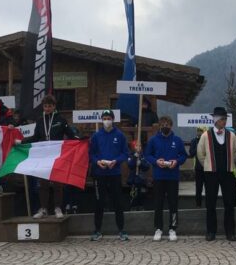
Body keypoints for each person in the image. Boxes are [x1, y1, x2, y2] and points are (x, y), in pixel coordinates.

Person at [25, 95, 78, 219]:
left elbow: (70, 135)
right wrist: (21, 142)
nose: (47, 108)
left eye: (49, 106)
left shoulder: (61, 120)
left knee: (58, 183)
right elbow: (35, 138)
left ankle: (58, 208)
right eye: (45, 106)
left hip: (57, 156)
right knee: (43, 183)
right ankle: (43, 209)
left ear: (54, 107)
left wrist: (81, 140)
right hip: (44, 156)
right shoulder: (39, 120)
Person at [197, 107, 236, 241]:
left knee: (229, 203)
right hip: (211, 173)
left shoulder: (231, 135)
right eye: (222, 119)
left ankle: (230, 232)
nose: (224, 121)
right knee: (211, 203)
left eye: (225, 119)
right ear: (215, 120)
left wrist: (230, 164)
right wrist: (208, 165)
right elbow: (200, 154)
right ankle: (211, 231)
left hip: (228, 173)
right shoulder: (205, 135)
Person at [88, 110, 130, 241]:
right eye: (104, 118)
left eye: (109, 118)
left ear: (113, 119)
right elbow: (91, 154)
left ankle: (121, 230)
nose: (107, 120)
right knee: (99, 202)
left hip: (114, 173)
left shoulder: (120, 135)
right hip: (99, 173)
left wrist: (116, 161)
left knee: (118, 202)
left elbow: (125, 153)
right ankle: (97, 230)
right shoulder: (96, 136)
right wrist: (97, 162)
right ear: (101, 120)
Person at [145, 116, 187, 242]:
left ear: (171, 126)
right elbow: (147, 155)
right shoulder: (153, 140)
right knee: (158, 204)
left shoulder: (177, 140)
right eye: (162, 124)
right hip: (159, 177)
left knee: (173, 204)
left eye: (167, 124)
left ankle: (172, 228)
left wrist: (177, 161)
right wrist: (156, 161)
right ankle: (158, 228)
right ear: (159, 125)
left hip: (173, 177)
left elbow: (184, 156)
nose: (165, 126)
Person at [127, 140, 149, 211]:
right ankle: (133, 207)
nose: (138, 147)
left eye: (140, 146)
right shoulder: (131, 155)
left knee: (142, 194)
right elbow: (130, 165)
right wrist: (134, 158)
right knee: (134, 195)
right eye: (137, 146)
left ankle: (141, 206)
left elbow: (147, 166)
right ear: (133, 147)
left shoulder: (143, 155)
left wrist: (141, 163)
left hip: (142, 180)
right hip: (134, 179)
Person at [188, 126, 207, 208]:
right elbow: (191, 154)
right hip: (198, 168)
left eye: (201, 131)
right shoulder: (194, 141)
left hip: (208, 168)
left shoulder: (208, 140)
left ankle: (208, 204)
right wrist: (198, 146)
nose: (199, 132)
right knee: (198, 187)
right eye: (198, 131)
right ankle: (198, 204)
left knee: (209, 188)